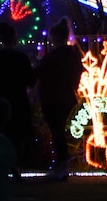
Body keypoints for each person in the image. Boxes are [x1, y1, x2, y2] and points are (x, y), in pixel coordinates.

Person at [0, 22, 36, 178]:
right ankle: (14, 164)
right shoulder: (21, 58)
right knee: (16, 136)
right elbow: (31, 80)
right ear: (14, 38)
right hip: (18, 100)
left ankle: (0, 165)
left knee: (0, 133)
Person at [35, 17, 83, 180]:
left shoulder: (54, 56)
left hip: (53, 97)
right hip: (66, 96)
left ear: (54, 37)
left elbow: (39, 73)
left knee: (57, 131)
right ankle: (62, 165)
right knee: (58, 130)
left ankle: (62, 165)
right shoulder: (72, 54)